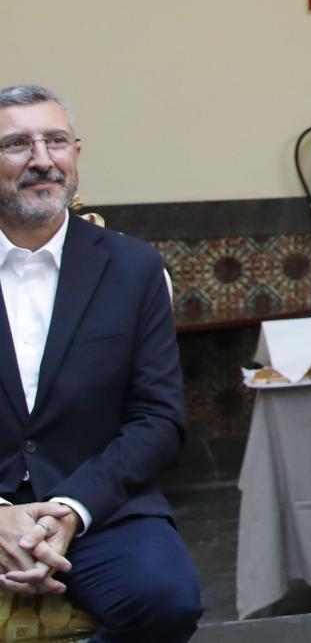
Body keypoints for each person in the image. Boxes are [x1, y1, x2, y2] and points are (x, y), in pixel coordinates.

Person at [0, 84, 202, 640]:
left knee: (168, 600)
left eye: (56, 141)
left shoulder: (133, 269)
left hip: (98, 505)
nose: (42, 160)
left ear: (77, 156)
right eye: (17, 144)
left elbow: (158, 420)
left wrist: (70, 507)